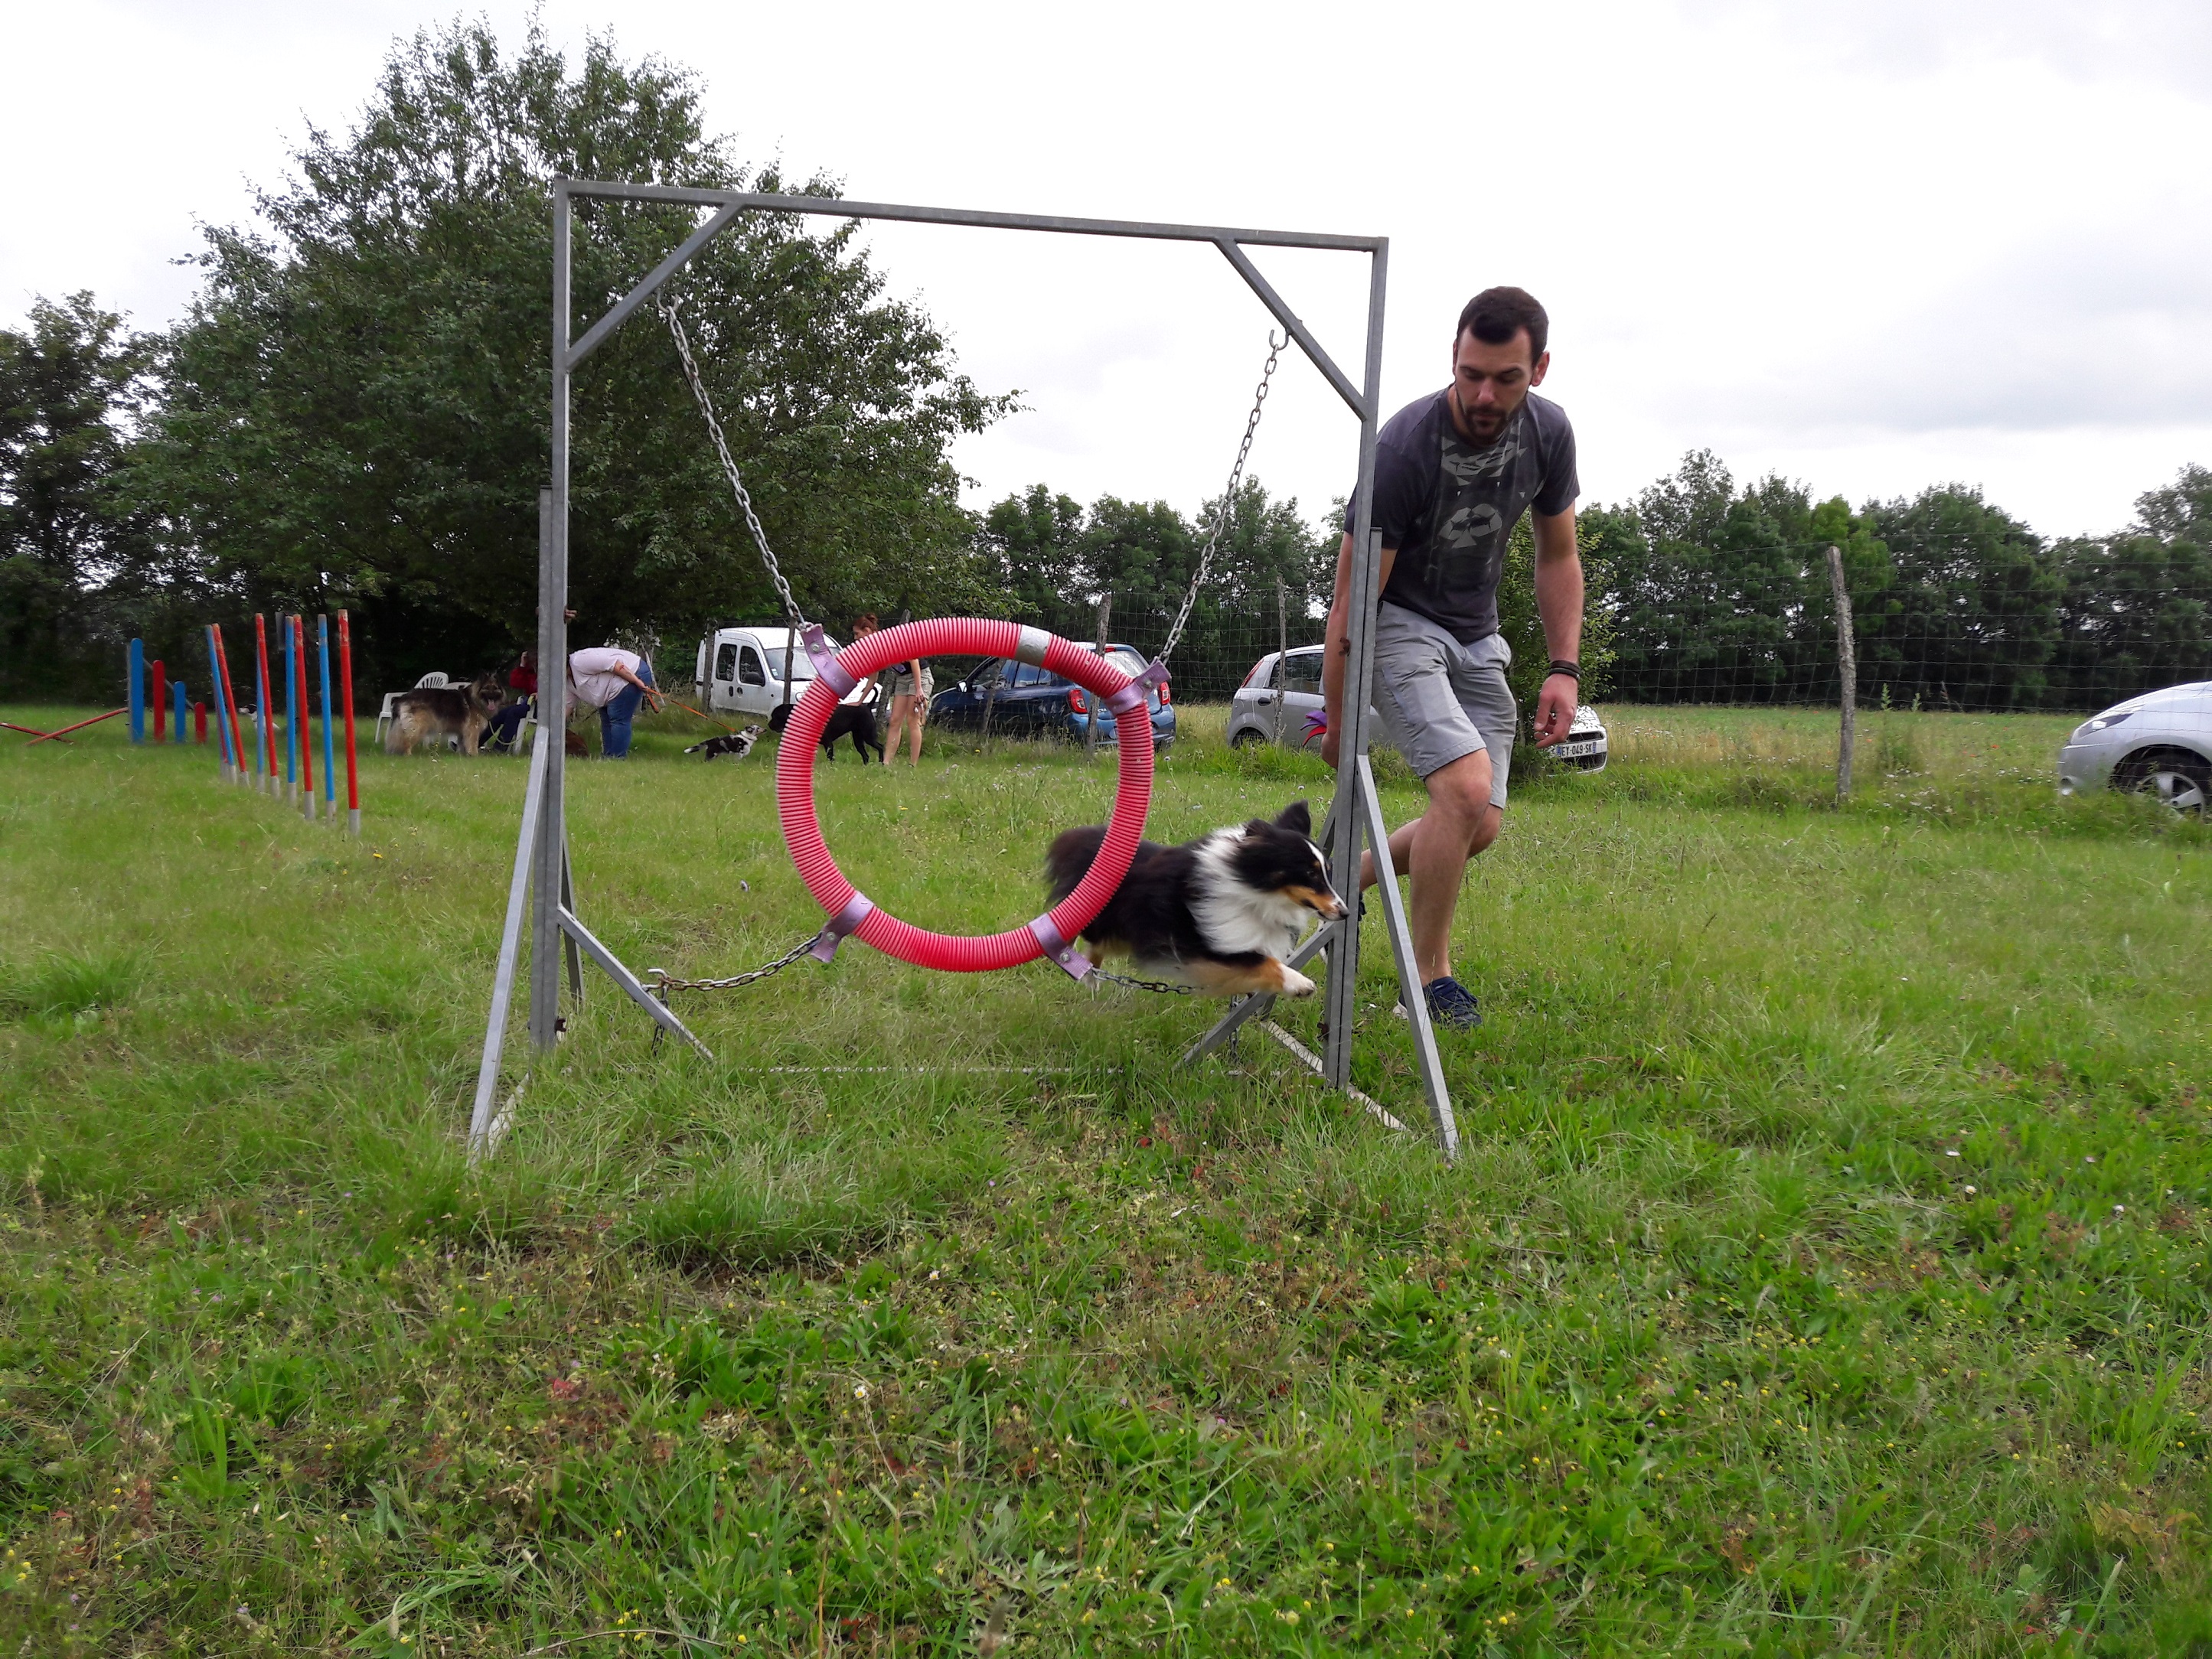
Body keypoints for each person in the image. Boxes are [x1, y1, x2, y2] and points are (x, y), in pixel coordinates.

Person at [1320, 286, 1584, 1032]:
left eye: (1505, 377)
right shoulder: (1406, 448)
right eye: (1469, 372)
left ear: (1539, 368)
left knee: (1479, 822)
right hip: (1397, 623)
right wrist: (1338, 718)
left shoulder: (1549, 435)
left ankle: (1342, 875)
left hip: (1477, 636)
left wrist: (1562, 666)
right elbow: (1349, 601)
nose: (1482, 393)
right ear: (1453, 358)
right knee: (1463, 790)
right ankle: (1427, 975)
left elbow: (1557, 555)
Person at [566, 644, 663, 758]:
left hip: (633, 671)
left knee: (618, 717)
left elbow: (616, 665)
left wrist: (637, 682)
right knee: (606, 719)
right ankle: (608, 756)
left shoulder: (580, 661)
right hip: (610, 689)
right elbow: (568, 706)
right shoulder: (566, 681)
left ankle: (617, 757)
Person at [879, 619, 932, 766]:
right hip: (902, 679)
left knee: (912, 720)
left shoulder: (898, 645)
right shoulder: (880, 651)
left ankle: (913, 764)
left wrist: (919, 689)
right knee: (895, 720)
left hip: (920, 676)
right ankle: (886, 762)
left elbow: (914, 661)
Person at [485, 650, 537, 752]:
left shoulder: (551, 673)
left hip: (541, 706)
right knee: (500, 715)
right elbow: (515, 683)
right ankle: (475, 743)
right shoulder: (530, 672)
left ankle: (500, 748)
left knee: (514, 713)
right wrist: (522, 666)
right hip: (528, 702)